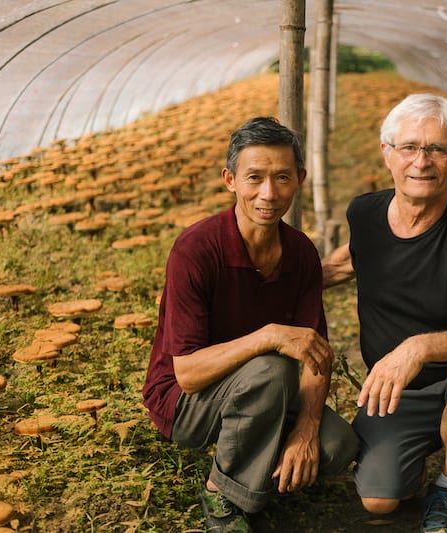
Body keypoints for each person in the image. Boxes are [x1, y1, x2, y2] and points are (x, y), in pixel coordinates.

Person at [322, 93, 447, 533]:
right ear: (387, 153)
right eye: (410, 147)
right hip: (401, 390)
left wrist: (421, 347)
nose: (422, 161)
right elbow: (344, 262)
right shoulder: (365, 213)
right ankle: (434, 441)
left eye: (438, 149)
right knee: (379, 501)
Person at [142, 116, 358, 533]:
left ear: (300, 179)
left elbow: (316, 356)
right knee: (272, 366)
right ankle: (223, 493)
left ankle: (251, 459)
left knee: (337, 447)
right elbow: (185, 374)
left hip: (260, 391)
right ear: (230, 180)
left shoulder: (300, 253)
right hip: (186, 401)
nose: (269, 194)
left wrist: (307, 430)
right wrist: (268, 336)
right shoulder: (196, 249)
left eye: (282, 178)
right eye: (254, 177)